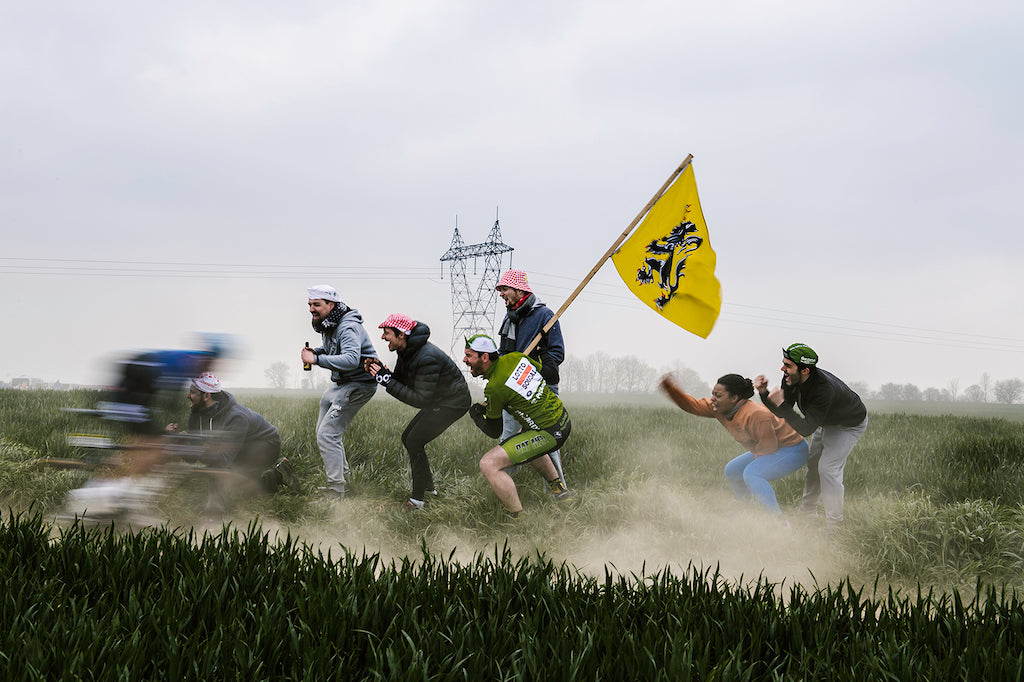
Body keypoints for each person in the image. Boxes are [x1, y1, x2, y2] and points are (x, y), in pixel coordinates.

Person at [659, 372, 809, 517]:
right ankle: (749, 512)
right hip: (769, 448)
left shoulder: (755, 414)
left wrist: (756, 464)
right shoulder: (718, 408)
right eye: (713, 394)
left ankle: (776, 522)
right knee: (732, 470)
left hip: (792, 450)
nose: (713, 399)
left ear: (734, 398)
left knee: (752, 474)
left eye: (718, 395)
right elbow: (693, 406)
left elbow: (768, 447)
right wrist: (671, 390)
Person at [364, 313, 471, 511]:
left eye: (386, 333)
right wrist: (383, 373)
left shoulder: (426, 356)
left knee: (414, 440)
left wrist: (386, 380)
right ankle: (429, 490)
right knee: (408, 438)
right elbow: (402, 380)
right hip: (438, 399)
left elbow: (419, 399)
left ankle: (417, 501)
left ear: (401, 335)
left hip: (453, 403)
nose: (383, 337)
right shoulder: (407, 350)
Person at [754, 343, 868, 526]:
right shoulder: (791, 379)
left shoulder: (824, 390)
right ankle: (808, 512)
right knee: (814, 463)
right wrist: (763, 393)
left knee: (828, 469)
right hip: (824, 421)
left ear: (805, 370)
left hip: (847, 425)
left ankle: (835, 525)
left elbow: (806, 429)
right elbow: (784, 411)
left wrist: (780, 404)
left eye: (788, 365)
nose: (782, 369)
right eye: (784, 363)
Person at [463, 334, 570, 516]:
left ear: (485, 357)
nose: (465, 360)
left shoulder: (495, 388)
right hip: (562, 421)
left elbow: (494, 430)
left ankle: (517, 518)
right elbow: (552, 376)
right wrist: (543, 350)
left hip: (549, 433)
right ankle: (561, 493)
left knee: (488, 464)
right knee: (526, 441)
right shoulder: (515, 357)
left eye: (469, 355)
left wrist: (477, 416)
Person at [167, 372, 296, 514]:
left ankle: (214, 511)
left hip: (264, 445)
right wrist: (176, 439)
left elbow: (222, 459)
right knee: (231, 479)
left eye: (192, 392)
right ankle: (279, 475)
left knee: (231, 479)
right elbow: (191, 457)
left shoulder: (236, 417)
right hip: (239, 446)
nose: (188, 396)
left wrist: (198, 448)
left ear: (207, 396)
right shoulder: (196, 414)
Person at [494, 268, 569, 497]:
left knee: (547, 441)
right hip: (512, 388)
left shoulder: (545, 315)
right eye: (499, 290)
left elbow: (557, 352)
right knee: (509, 437)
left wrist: (537, 365)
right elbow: (504, 352)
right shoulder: (510, 317)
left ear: (519, 289)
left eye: (504, 289)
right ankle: (501, 487)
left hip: (539, 388)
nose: (501, 294)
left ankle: (559, 493)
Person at [299, 284, 378, 499]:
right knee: (323, 431)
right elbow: (336, 349)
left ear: (331, 304)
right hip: (341, 383)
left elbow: (352, 359)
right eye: (309, 305)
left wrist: (315, 359)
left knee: (328, 434)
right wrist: (317, 351)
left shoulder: (348, 327)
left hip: (358, 384)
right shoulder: (330, 324)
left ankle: (337, 490)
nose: (311, 309)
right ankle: (345, 481)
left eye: (316, 304)